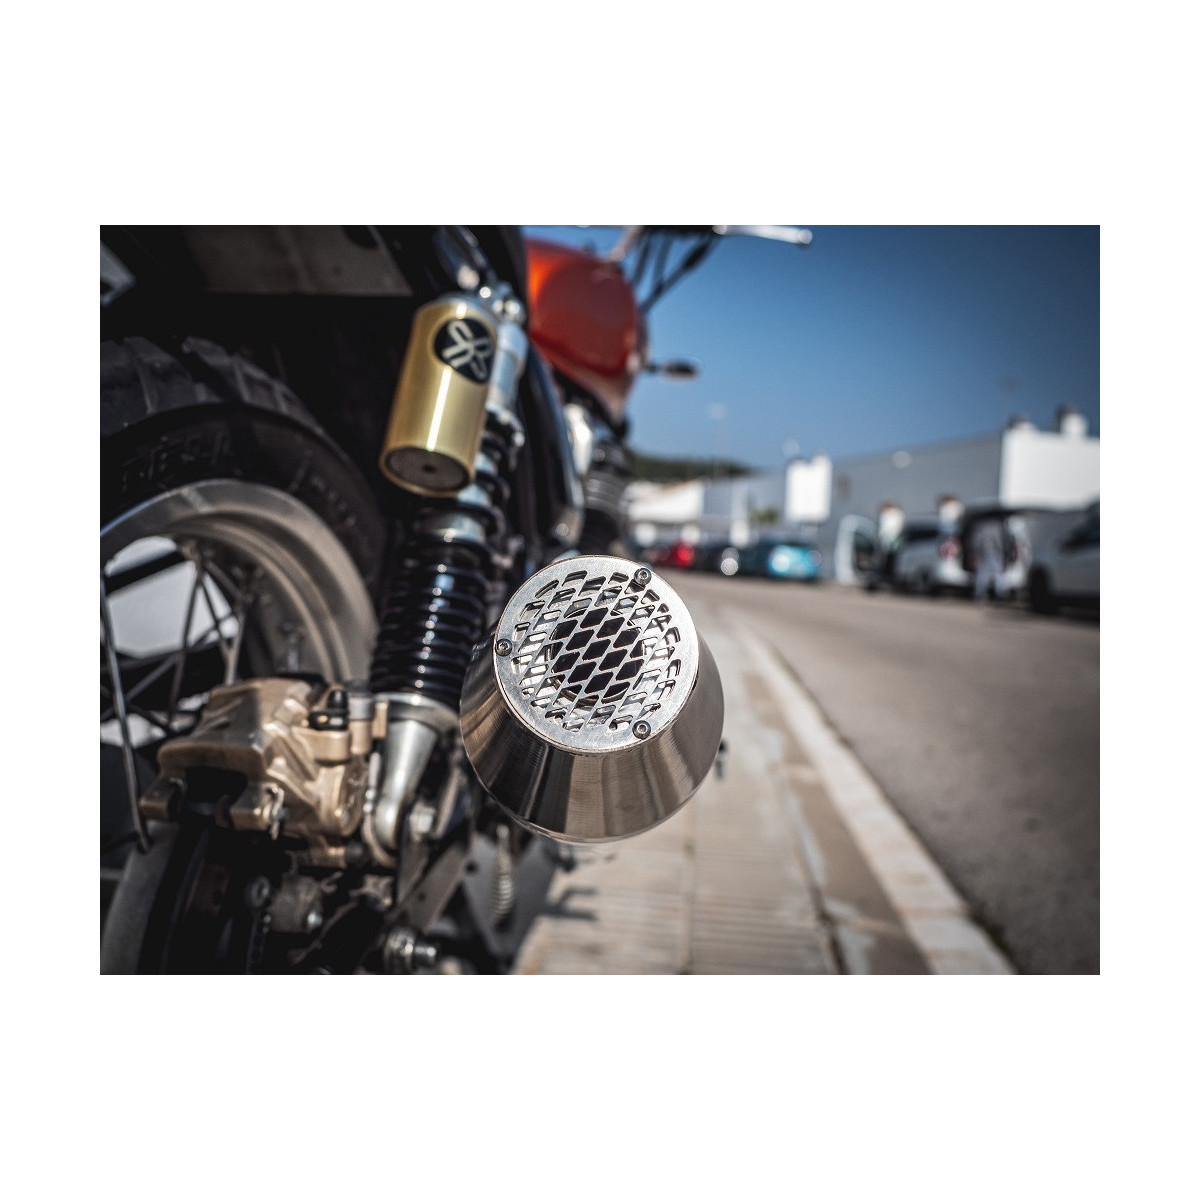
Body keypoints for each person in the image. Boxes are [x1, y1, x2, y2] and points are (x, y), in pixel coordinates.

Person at [970, 518, 1007, 601]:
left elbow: (975, 543)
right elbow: (999, 543)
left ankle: (979, 594)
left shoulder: (979, 527)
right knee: (998, 575)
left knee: (982, 576)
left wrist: (976, 553)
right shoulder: (997, 528)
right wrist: (1002, 554)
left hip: (983, 555)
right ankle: (1001, 594)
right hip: (994, 554)